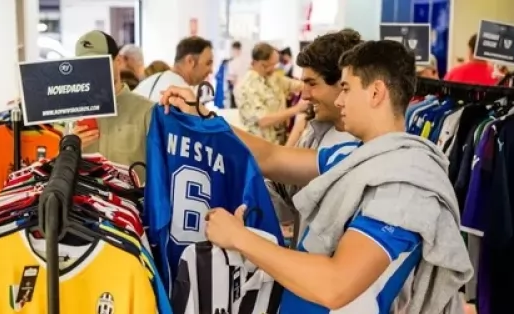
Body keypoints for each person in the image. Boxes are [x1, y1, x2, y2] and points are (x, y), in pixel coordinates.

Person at [159, 40, 473, 313]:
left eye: (347, 89)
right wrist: (201, 114)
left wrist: (240, 239)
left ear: (376, 92)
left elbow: (335, 284)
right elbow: (272, 156)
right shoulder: (357, 158)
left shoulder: (403, 187)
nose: (339, 100)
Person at [272, 29, 360, 229]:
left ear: (344, 82)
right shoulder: (315, 131)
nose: (304, 95)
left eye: (312, 84)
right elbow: (289, 192)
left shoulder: (365, 147)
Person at [72, 30, 154, 182]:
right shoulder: (74, 114)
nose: (92, 72)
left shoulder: (147, 111)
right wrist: (70, 150)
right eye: (84, 66)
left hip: (132, 203)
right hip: (86, 204)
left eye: (99, 63)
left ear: (118, 62)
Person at [235, 42, 306, 144]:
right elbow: (263, 120)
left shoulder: (272, 78)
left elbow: (296, 85)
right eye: (271, 65)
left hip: (279, 144)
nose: (274, 68)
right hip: (260, 147)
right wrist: (297, 109)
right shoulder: (247, 86)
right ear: (261, 64)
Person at [134, 36, 214, 102]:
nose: (211, 70)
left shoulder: (149, 82)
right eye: (208, 63)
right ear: (190, 61)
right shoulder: (181, 94)